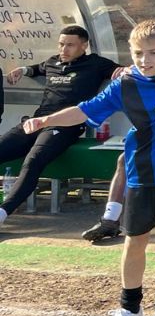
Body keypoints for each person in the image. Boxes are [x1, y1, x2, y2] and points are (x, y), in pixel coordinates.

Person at [21, 21, 155, 316]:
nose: (145, 60)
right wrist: (46, 120)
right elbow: (84, 111)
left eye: (153, 53)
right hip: (140, 176)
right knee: (135, 242)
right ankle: (130, 310)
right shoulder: (125, 84)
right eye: (137, 53)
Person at [0, 27, 121, 228]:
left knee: (33, 160)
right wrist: (23, 70)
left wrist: (122, 70)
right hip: (36, 121)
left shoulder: (97, 64)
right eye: (61, 44)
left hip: (67, 125)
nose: (64, 49)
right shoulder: (53, 62)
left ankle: (3, 212)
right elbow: (37, 68)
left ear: (84, 46)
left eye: (70, 45)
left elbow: (125, 71)